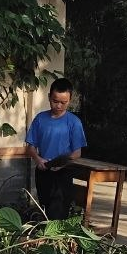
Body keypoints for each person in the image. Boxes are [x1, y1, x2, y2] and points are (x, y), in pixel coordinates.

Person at [26, 77, 87, 220]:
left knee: (59, 211)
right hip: (43, 170)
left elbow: (77, 153)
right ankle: (48, 239)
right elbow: (30, 146)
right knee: (46, 208)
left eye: (63, 102)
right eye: (55, 101)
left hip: (63, 172)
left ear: (70, 100)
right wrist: (37, 159)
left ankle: (58, 240)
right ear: (49, 97)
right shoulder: (40, 119)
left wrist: (62, 164)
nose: (59, 105)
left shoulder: (74, 123)